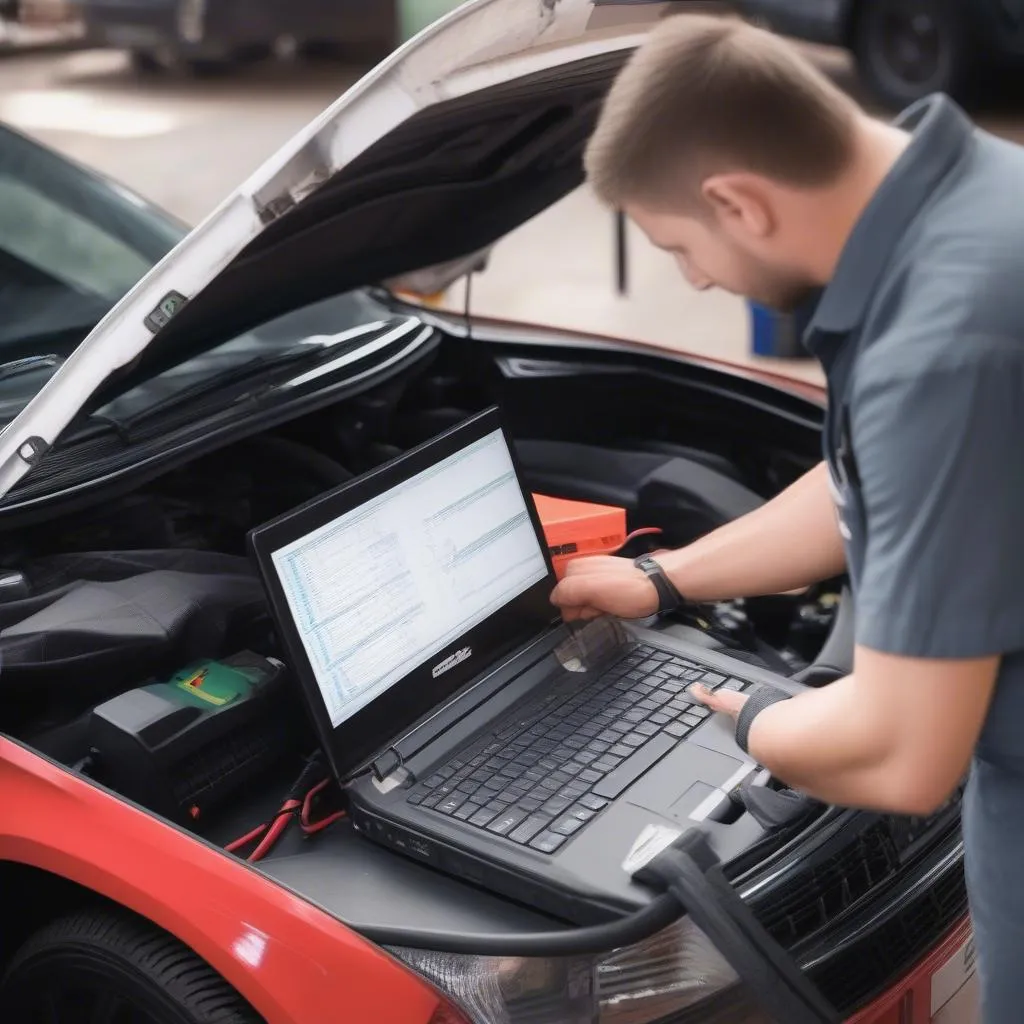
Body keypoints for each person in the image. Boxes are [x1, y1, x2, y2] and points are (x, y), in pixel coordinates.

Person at [550, 13, 1024, 1022]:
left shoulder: (940, 344)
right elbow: (871, 479)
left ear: (737, 202)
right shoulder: (977, 191)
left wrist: (751, 721)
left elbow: (903, 755)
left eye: (679, 246)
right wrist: (664, 579)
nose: (693, 278)